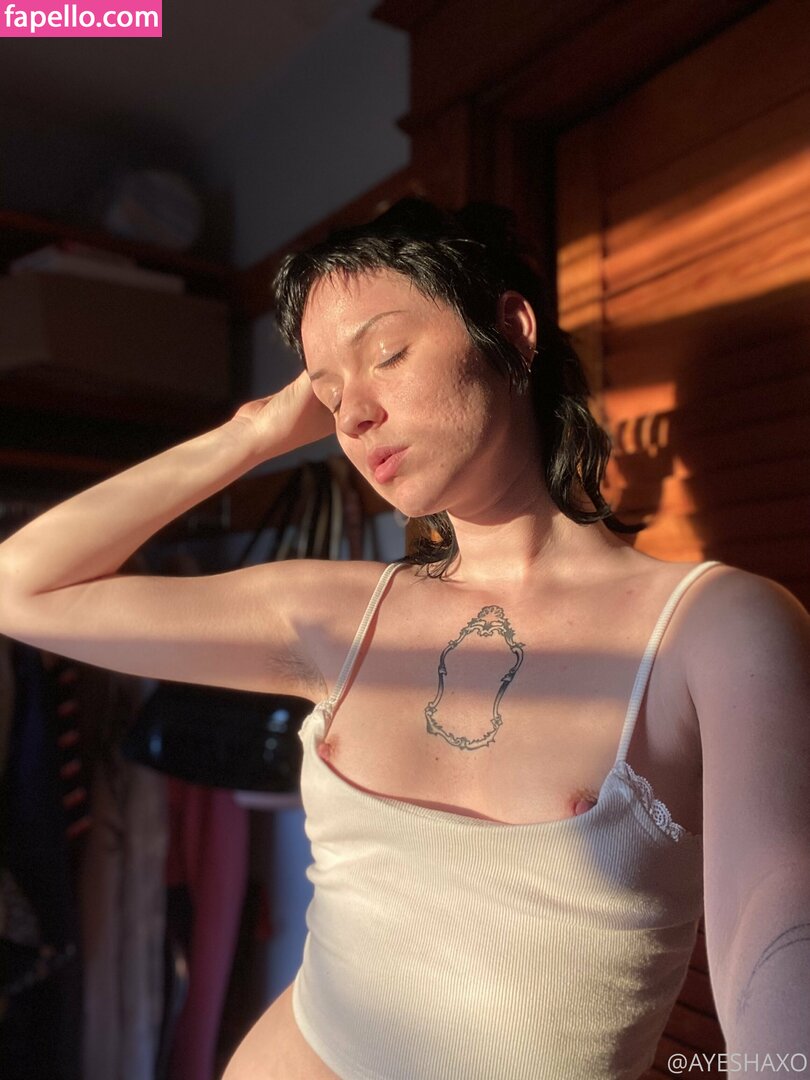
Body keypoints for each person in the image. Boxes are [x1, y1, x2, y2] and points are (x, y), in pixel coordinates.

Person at [0, 198, 808, 1079]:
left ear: (512, 330)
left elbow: (778, 943)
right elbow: (19, 589)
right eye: (327, 393)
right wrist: (254, 433)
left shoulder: (714, 627)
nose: (352, 415)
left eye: (386, 355)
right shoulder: (341, 618)